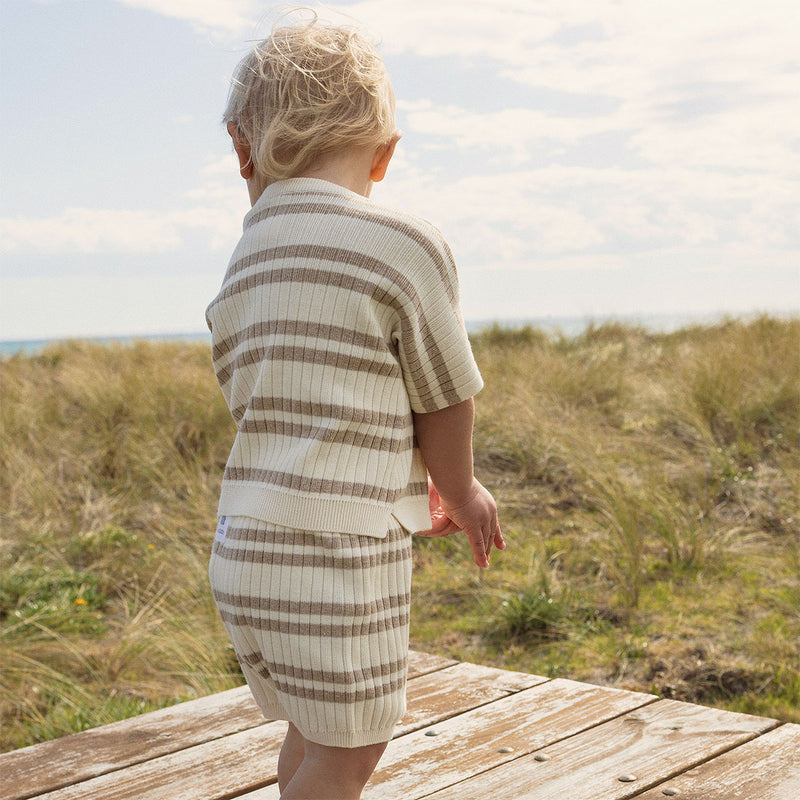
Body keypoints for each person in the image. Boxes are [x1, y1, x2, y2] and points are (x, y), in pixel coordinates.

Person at [205, 15, 505, 799]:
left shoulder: (243, 263)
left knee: (313, 730)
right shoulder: (404, 242)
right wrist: (461, 488)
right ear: (384, 154)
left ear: (242, 147)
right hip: (336, 557)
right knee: (352, 751)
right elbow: (444, 394)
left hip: (243, 549)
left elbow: (266, 397)